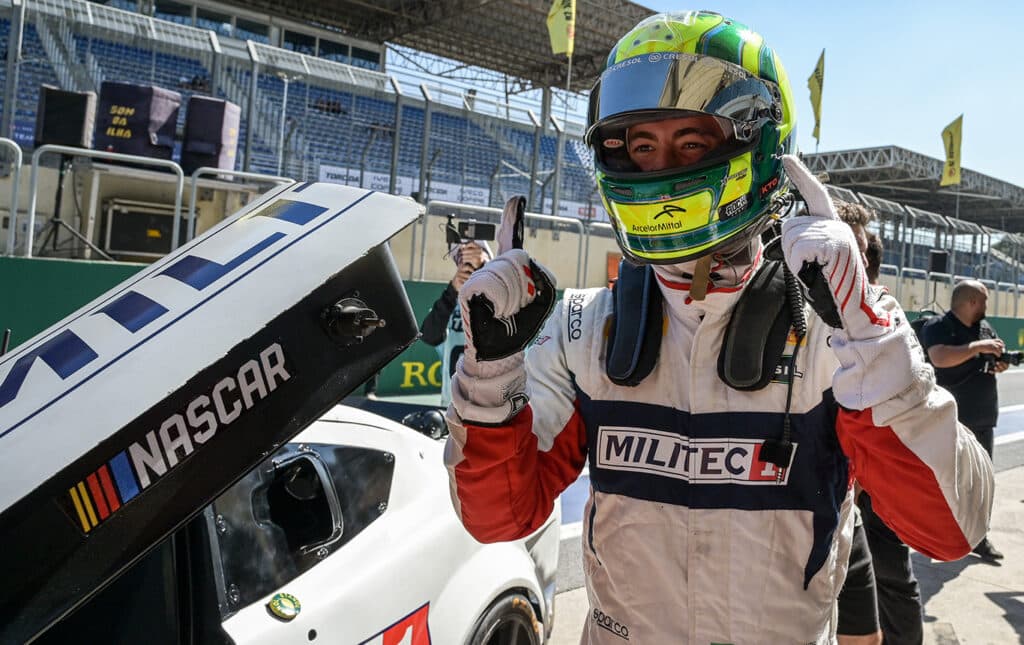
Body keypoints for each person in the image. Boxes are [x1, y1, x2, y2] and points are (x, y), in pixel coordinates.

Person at [443, 11, 994, 644]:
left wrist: (876, 348)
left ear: (757, 147)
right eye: (642, 146)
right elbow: (497, 518)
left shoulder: (834, 331)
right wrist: (489, 378)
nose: (661, 167)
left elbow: (952, 529)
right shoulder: (583, 327)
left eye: (692, 143)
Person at [835, 205, 925, 645]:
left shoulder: (889, 318)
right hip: (809, 490)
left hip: (874, 486)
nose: (858, 262)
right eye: (845, 248)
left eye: (863, 252)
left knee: (893, 581)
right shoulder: (786, 310)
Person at [920, 279, 1005, 561]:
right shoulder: (938, 326)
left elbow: (990, 357)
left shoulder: (985, 328)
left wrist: (998, 362)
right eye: (984, 300)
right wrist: (976, 347)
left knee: (980, 483)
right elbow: (939, 357)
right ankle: (936, 536)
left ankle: (979, 538)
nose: (986, 306)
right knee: (943, 481)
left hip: (982, 415)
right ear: (971, 302)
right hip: (950, 419)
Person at [419, 239, 491, 407]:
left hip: (488, 408)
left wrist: (485, 272)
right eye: (461, 257)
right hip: (452, 408)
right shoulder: (450, 303)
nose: (468, 263)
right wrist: (452, 291)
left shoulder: (500, 299)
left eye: (474, 254)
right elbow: (429, 336)